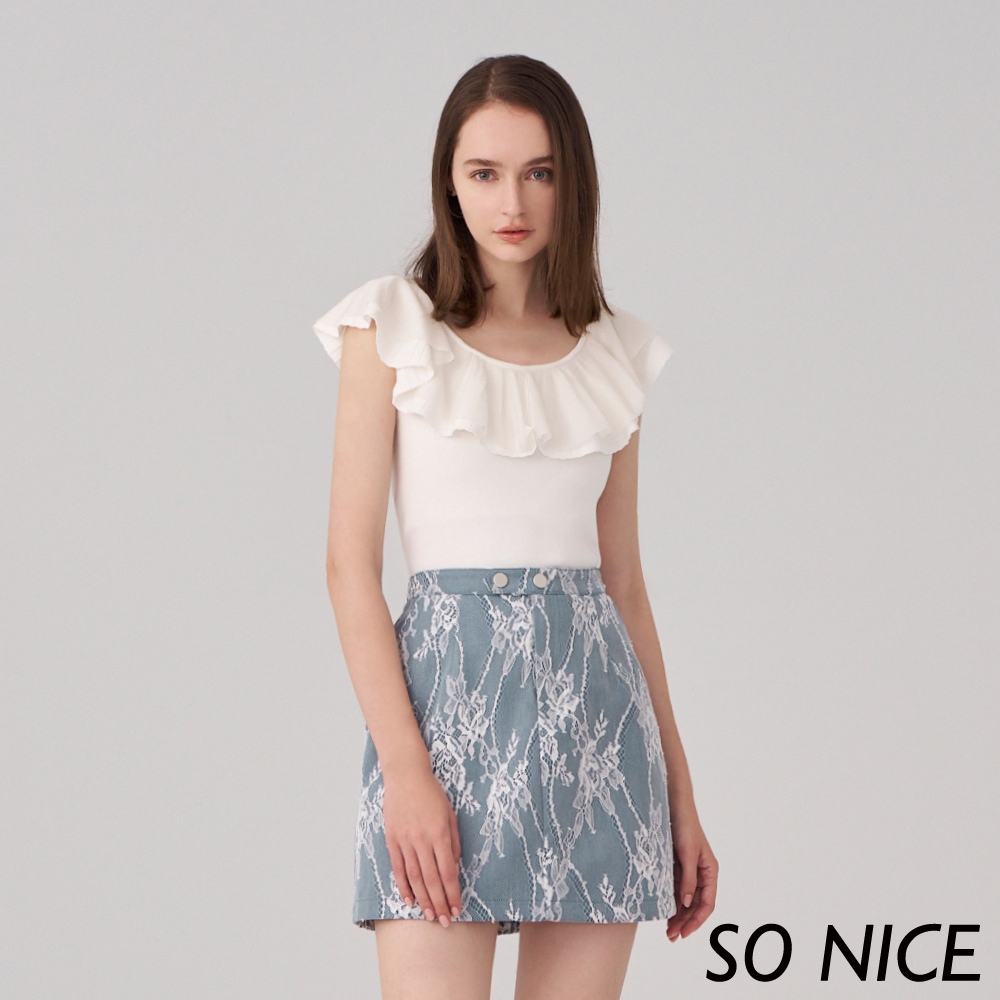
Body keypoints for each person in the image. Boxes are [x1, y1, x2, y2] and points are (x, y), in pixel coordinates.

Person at [314, 53, 718, 1000]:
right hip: (442, 726)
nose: (513, 202)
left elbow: (624, 586)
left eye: (539, 172)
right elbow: (347, 568)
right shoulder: (392, 327)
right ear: (449, 182)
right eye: (484, 172)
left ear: (572, 181)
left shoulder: (611, 352)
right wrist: (406, 773)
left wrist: (680, 793)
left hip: (598, 734)